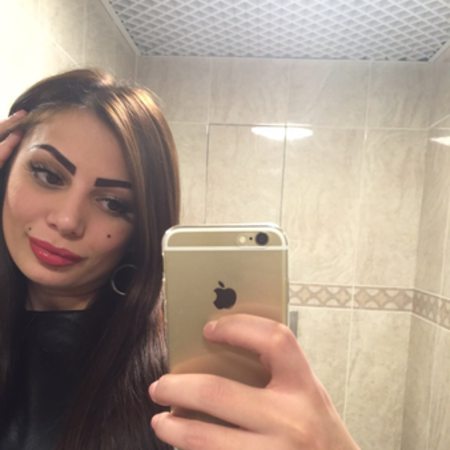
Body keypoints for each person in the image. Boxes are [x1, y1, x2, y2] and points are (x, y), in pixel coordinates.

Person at [0, 69, 360, 450]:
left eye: (113, 203)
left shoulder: (176, 377)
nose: (68, 220)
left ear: (140, 230)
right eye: (47, 175)